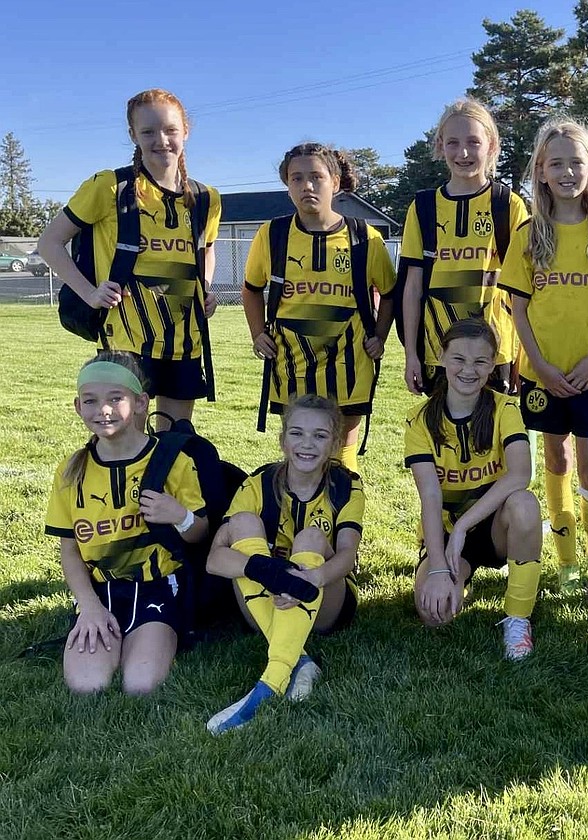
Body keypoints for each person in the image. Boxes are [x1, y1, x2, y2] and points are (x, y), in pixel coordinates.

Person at [39, 89, 222, 430]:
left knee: (175, 442)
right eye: (148, 131)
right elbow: (49, 242)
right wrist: (90, 292)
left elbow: (206, 248)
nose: (161, 140)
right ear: (133, 135)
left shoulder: (205, 197)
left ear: (185, 130)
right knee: (126, 442)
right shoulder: (110, 186)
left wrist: (206, 286)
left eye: (170, 129)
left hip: (184, 339)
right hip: (125, 340)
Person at [498, 117, 588, 594]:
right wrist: (541, 366)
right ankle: (567, 557)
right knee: (554, 459)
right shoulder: (530, 234)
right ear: (541, 171)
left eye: (577, 162)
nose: (567, 171)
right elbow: (518, 306)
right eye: (557, 163)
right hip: (543, 375)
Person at [45, 352, 208, 694]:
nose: (102, 410)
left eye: (115, 399)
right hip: (100, 592)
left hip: (158, 587)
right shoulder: (71, 471)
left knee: (141, 684)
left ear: (139, 403)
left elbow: (199, 534)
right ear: (77, 406)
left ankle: (156, 637)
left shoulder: (172, 461)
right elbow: (70, 550)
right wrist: (88, 607)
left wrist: (179, 515)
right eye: (90, 401)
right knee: (87, 686)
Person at [204, 395, 362, 733]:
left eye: (320, 436)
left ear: (335, 443)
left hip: (324, 600)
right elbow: (215, 560)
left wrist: (309, 579)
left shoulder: (347, 484)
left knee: (311, 539)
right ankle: (301, 662)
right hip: (268, 600)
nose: (307, 444)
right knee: (242, 522)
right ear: (282, 439)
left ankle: (272, 680)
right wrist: (269, 572)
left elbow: (348, 556)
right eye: (297, 433)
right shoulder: (258, 482)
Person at [242, 143, 395, 473]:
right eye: (296, 178)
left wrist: (379, 336)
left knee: (341, 451)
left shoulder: (364, 237)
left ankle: (345, 521)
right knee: (302, 449)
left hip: (349, 361)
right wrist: (257, 333)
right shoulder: (273, 234)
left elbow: (391, 292)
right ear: (287, 185)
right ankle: (300, 519)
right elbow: (252, 289)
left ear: (336, 182)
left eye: (316, 177)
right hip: (291, 362)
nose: (306, 186)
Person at [406, 318, 543, 660]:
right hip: (449, 536)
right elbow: (431, 496)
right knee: (433, 614)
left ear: (493, 363)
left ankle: (518, 619)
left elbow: (520, 474)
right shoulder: (420, 421)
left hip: (494, 529)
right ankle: (458, 576)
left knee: (525, 504)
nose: (469, 370)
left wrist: (465, 527)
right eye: (459, 359)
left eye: (480, 361)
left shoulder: (505, 408)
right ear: (441, 357)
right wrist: (438, 566)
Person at [400, 98, 528, 396]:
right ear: (440, 145)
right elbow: (413, 287)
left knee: (495, 437)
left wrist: (523, 357)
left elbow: (525, 289)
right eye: (453, 143)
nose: (464, 153)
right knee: (445, 438)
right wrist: (411, 355)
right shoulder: (423, 208)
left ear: (492, 145)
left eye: (474, 141)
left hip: (497, 354)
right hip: (440, 353)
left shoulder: (508, 205)